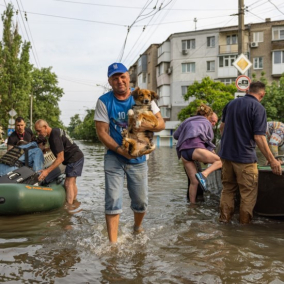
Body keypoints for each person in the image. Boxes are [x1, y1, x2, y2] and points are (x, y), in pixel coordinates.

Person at [94, 62, 165, 243]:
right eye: (115, 78)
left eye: (122, 77)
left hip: (139, 156)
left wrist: (145, 125)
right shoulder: (104, 101)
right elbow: (102, 132)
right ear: (110, 81)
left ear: (128, 77)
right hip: (114, 156)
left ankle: (137, 227)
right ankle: (113, 243)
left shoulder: (142, 95)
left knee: (141, 202)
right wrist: (120, 150)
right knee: (113, 200)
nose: (120, 81)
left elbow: (161, 124)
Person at [219, 81, 282, 224]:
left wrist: (229, 144)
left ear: (248, 90)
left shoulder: (231, 104)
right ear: (262, 94)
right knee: (247, 194)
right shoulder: (258, 108)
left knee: (228, 190)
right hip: (245, 159)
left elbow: (222, 128)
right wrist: (272, 160)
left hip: (226, 157)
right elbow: (259, 137)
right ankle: (244, 229)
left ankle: (224, 222)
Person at [173, 104, 222, 203]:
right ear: (208, 116)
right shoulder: (206, 123)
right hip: (195, 149)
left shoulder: (187, 121)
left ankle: (192, 206)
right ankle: (204, 174)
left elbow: (176, 135)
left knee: (194, 182)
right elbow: (208, 143)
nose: (213, 124)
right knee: (220, 161)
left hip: (183, 153)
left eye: (215, 123)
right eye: (212, 121)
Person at [34, 120, 84, 205]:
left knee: (68, 183)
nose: (38, 133)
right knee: (72, 182)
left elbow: (60, 158)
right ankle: (75, 203)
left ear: (45, 127)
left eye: (39, 131)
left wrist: (47, 171)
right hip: (77, 156)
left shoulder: (54, 136)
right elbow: (60, 144)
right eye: (37, 131)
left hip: (74, 158)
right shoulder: (55, 132)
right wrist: (48, 149)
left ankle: (69, 209)